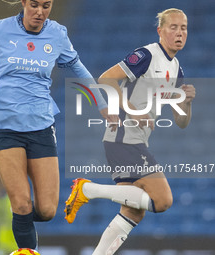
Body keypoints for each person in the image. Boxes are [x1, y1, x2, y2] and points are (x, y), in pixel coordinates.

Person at [0, 0, 116, 249]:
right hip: (5, 127)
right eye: (34, 5)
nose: (40, 12)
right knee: (22, 203)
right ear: (23, 3)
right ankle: (27, 248)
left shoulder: (56, 34)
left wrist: (102, 104)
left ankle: (19, 220)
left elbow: (79, 68)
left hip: (41, 127)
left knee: (46, 210)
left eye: (46, 6)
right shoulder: (0, 30)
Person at [64, 8, 196, 254]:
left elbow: (181, 121)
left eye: (183, 28)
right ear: (160, 31)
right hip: (122, 137)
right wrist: (134, 111)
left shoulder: (176, 69)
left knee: (134, 211)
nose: (179, 33)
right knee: (163, 200)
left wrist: (186, 103)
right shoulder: (146, 55)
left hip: (136, 141)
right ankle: (87, 189)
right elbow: (105, 79)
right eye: (173, 27)